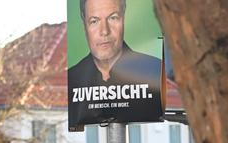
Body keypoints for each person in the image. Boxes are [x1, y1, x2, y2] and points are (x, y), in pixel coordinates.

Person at [68, 0, 163, 129]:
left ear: (124, 17)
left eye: (113, 18)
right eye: (94, 21)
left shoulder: (155, 71)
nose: (104, 31)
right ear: (84, 24)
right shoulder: (72, 79)